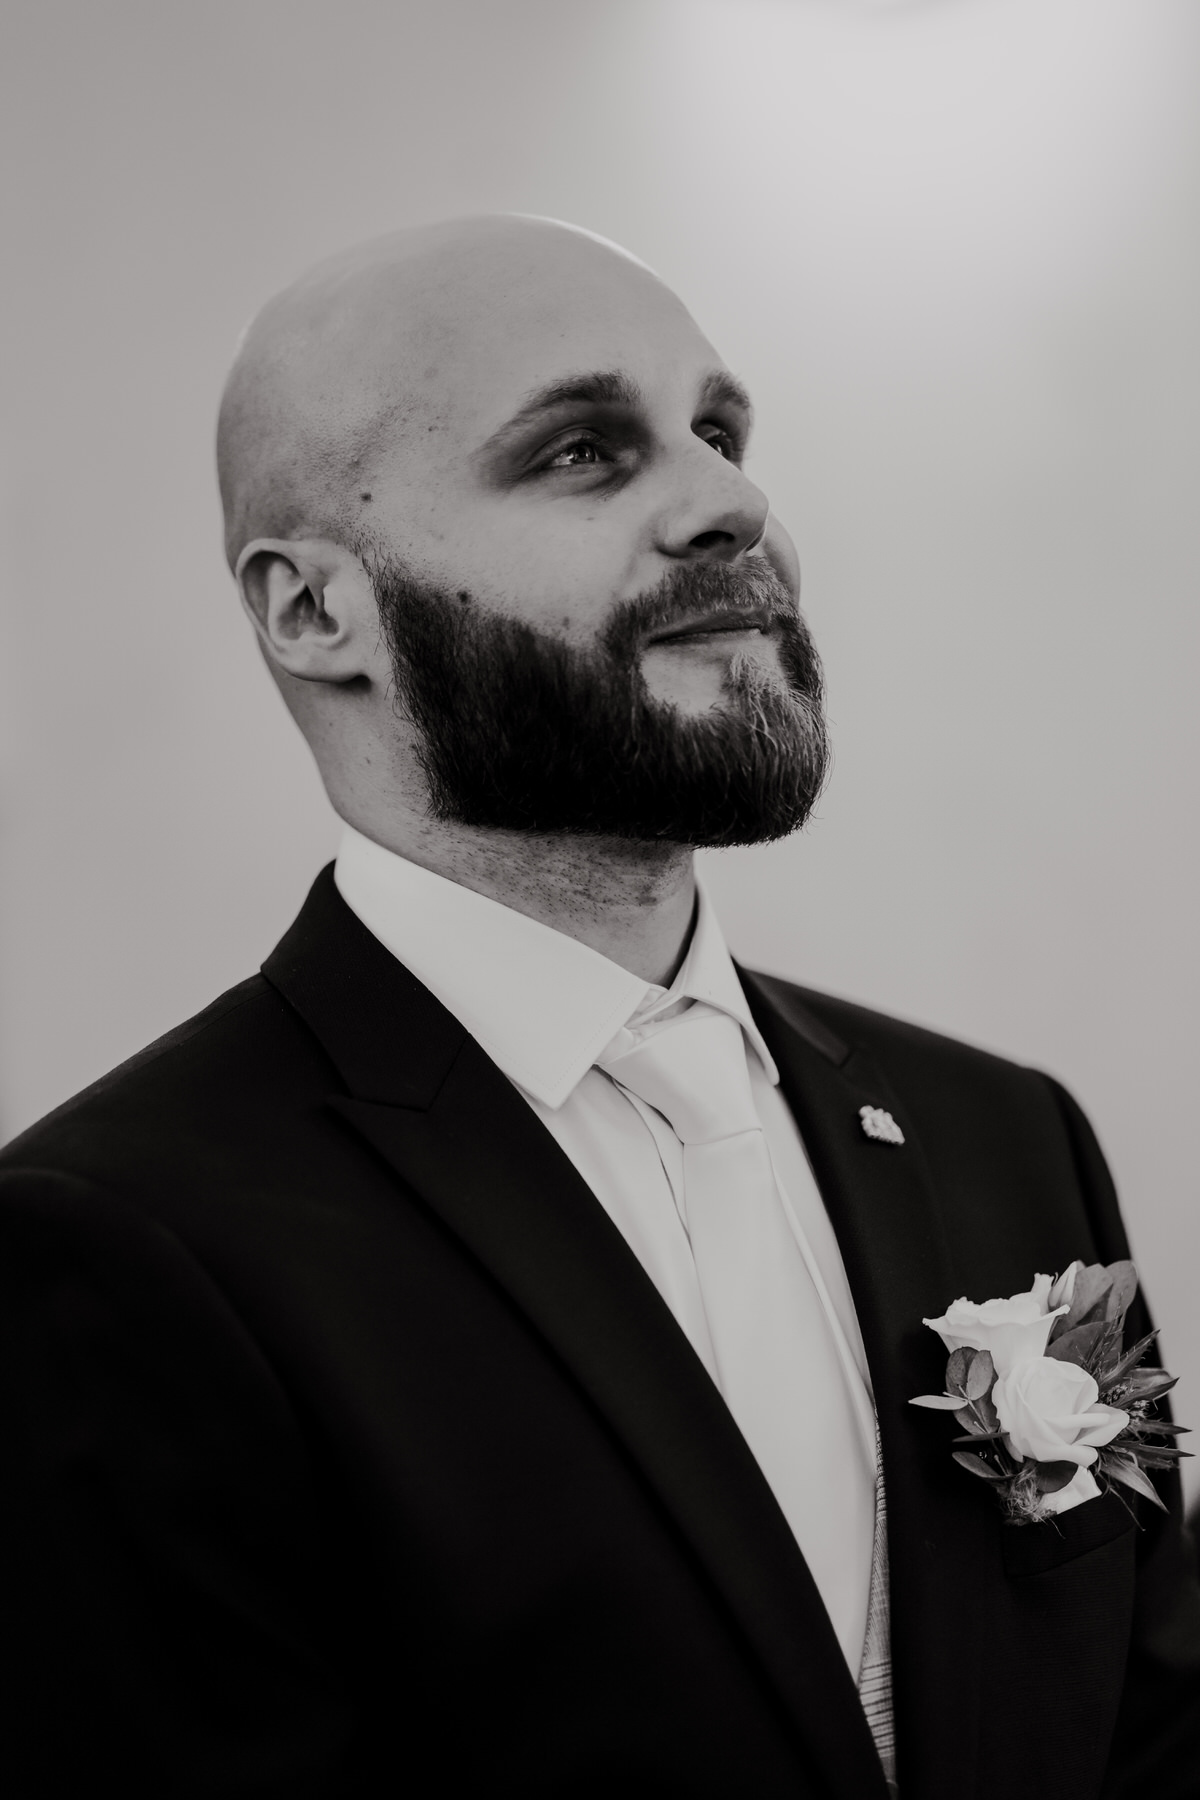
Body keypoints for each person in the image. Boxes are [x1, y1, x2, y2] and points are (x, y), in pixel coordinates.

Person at [1, 215, 1197, 1799]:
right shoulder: (114, 1250)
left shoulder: (1009, 1138)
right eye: (580, 451)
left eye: (720, 434)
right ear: (313, 612)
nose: (731, 503)